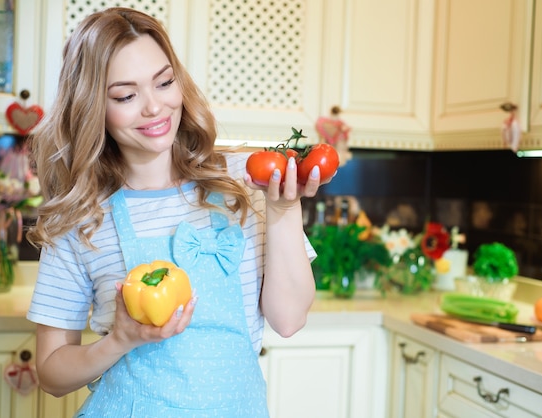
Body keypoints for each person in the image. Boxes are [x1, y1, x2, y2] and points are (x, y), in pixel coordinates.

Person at [26, 7, 324, 417]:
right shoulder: (81, 217)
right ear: (93, 107)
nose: (154, 108)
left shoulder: (244, 182)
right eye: (125, 96)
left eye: (164, 82)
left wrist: (284, 209)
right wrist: (120, 340)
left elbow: (289, 320)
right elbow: (52, 373)